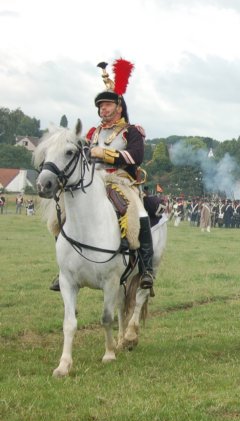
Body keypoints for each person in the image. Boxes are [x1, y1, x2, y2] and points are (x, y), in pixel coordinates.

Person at [50, 59, 155, 291]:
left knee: (139, 214)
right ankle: (64, 268)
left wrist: (105, 153)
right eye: (100, 106)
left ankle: (147, 269)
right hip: (93, 180)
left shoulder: (132, 131)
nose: (102, 109)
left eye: (107, 105)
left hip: (121, 180)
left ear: (119, 107)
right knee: (59, 215)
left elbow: (135, 157)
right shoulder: (92, 132)